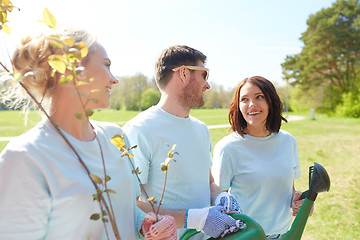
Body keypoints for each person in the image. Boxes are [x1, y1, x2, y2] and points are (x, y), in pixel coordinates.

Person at [0, 28, 177, 240]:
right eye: (107, 65)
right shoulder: (25, 156)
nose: (114, 79)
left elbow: (125, 209)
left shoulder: (115, 137)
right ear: (73, 69)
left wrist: (144, 224)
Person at [123, 45, 245, 240]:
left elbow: (209, 182)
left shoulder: (201, 129)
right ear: (183, 73)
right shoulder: (139, 129)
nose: (208, 85)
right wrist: (194, 218)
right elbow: (129, 205)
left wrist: (220, 196)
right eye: (204, 75)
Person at [212, 76, 309, 239]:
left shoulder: (288, 141)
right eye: (245, 99)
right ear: (238, 106)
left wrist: (297, 202)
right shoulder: (228, 147)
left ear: (271, 100)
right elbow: (216, 199)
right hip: (245, 235)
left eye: (259, 97)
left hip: (284, 233)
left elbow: (288, 188)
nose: (252, 105)